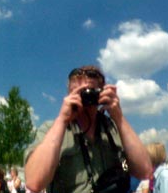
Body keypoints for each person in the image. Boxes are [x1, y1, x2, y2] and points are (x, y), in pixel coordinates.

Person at [25, 65, 152, 193]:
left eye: (91, 91)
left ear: (102, 92)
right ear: (69, 94)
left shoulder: (113, 128)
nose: (86, 97)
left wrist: (119, 117)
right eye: (79, 92)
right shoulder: (52, 130)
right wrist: (62, 120)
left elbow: (145, 171)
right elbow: (34, 182)